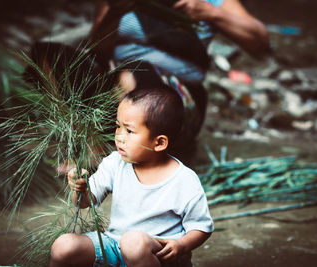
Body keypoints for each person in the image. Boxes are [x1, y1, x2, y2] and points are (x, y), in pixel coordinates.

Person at [50, 85, 214, 267]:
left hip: (159, 255)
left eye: (129, 131)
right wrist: (79, 188)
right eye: (117, 126)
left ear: (159, 142)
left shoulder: (184, 180)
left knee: (133, 243)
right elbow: (84, 202)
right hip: (115, 245)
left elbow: (201, 227)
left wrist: (181, 245)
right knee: (63, 246)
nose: (119, 137)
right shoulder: (115, 163)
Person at [89, 0, 269, 140]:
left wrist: (211, 13)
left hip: (172, 98)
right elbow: (96, 47)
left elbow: (259, 41)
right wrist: (116, 10)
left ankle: (109, 150)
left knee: (135, 75)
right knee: (64, 58)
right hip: (116, 76)